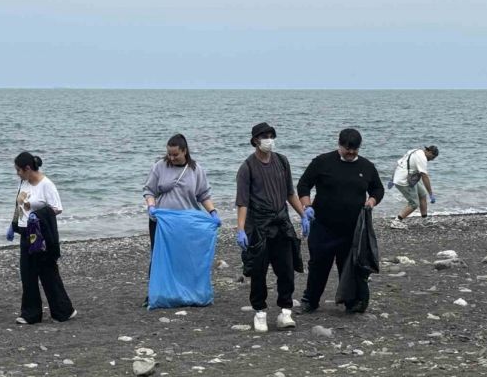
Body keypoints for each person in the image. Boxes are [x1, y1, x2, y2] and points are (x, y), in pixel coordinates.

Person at [297, 129, 384, 313]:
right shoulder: (322, 162)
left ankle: (350, 301)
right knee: (319, 265)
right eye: (348, 149)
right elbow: (303, 184)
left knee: (349, 266)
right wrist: (307, 206)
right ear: (339, 145)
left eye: (355, 150)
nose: (351, 153)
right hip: (323, 226)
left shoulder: (366, 166)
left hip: (352, 229)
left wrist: (371, 201)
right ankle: (310, 301)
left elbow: (378, 189)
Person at [235, 122, 308, 332]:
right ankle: (259, 312)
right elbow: (242, 202)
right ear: (255, 140)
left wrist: (303, 215)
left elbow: (290, 193)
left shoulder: (282, 162)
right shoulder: (247, 167)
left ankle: (286, 312)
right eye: (264, 136)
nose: (268, 139)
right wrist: (241, 229)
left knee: (286, 269)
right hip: (258, 226)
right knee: (258, 271)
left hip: (281, 224)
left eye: (270, 135)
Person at [143, 134, 221, 306]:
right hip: (162, 223)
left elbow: (203, 195)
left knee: (186, 258)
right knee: (159, 257)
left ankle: (189, 293)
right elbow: (149, 191)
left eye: (175, 154)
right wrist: (151, 206)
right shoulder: (159, 167)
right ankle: (156, 294)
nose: (171, 158)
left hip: (187, 224)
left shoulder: (196, 170)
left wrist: (213, 212)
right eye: (169, 154)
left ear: (184, 151)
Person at [12, 152, 76, 324]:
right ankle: (30, 314)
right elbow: (20, 204)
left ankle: (63, 311)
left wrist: (38, 215)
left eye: (19, 170)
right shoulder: (24, 183)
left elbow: (57, 208)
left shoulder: (46, 185)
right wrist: (13, 225)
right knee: (27, 273)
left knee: (48, 272)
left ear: (27, 168)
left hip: (41, 233)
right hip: (26, 232)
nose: (17, 173)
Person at [388, 146, 439, 230]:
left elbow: (400, 163)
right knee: (414, 203)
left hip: (409, 177)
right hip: (403, 180)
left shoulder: (415, 150)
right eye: (432, 157)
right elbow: (424, 176)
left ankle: (424, 219)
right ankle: (396, 222)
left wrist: (393, 177)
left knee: (422, 194)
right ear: (429, 152)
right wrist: (431, 193)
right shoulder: (422, 158)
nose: (432, 159)